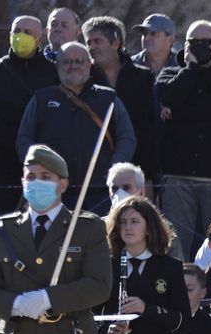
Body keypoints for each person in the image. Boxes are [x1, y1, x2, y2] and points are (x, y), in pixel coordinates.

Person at [0, 145, 112, 334]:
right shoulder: (0, 230)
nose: (36, 183)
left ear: (63, 184)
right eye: (30, 177)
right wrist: (18, 304)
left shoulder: (87, 228)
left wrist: (46, 299)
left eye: (45, 177)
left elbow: (99, 285)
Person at [156, 21, 211, 252]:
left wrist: (179, 109)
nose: (199, 47)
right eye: (193, 42)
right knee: (175, 244)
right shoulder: (169, 73)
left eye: (205, 43)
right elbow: (168, 94)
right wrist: (191, 70)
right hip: (177, 175)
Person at [16, 42, 136, 214]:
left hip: (100, 191)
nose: (73, 66)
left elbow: (127, 137)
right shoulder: (41, 99)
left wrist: (114, 168)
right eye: (67, 62)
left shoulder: (109, 98)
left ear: (90, 64)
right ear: (57, 66)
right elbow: (24, 140)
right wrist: (40, 172)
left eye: (79, 61)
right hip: (53, 192)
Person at [99, 196, 187, 334]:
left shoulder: (170, 267)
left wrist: (145, 308)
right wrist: (106, 330)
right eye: (122, 222)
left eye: (135, 221)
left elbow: (181, 320)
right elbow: (88, 316)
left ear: (149, 228)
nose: (128, 227)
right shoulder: (105, 266)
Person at [0, 16, 58, 213]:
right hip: (1, 166)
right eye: (16, 31)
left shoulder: (54, 73)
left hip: (44, 165)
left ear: (39, 40)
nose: (20, 36)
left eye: (27, 32)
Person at [83, 16, 159, 180]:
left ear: (116, 43)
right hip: (95, 172)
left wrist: (150, 174)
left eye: (97, 41)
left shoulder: (143, 77)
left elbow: (152, 126)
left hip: (138, 170)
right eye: (88, 43)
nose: (91, 47)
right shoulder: (84, 80)